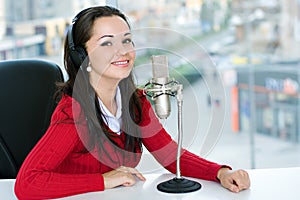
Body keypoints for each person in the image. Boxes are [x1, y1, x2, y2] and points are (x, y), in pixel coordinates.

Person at [14, 6, 250, 199]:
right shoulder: (74, 113)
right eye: (107, 43)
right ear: (82, 55)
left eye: (126, 41)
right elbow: (27, 184)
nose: (123, 51)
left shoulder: (136, 101)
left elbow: (168, 154)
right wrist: (104, 180)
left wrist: (220, 172)